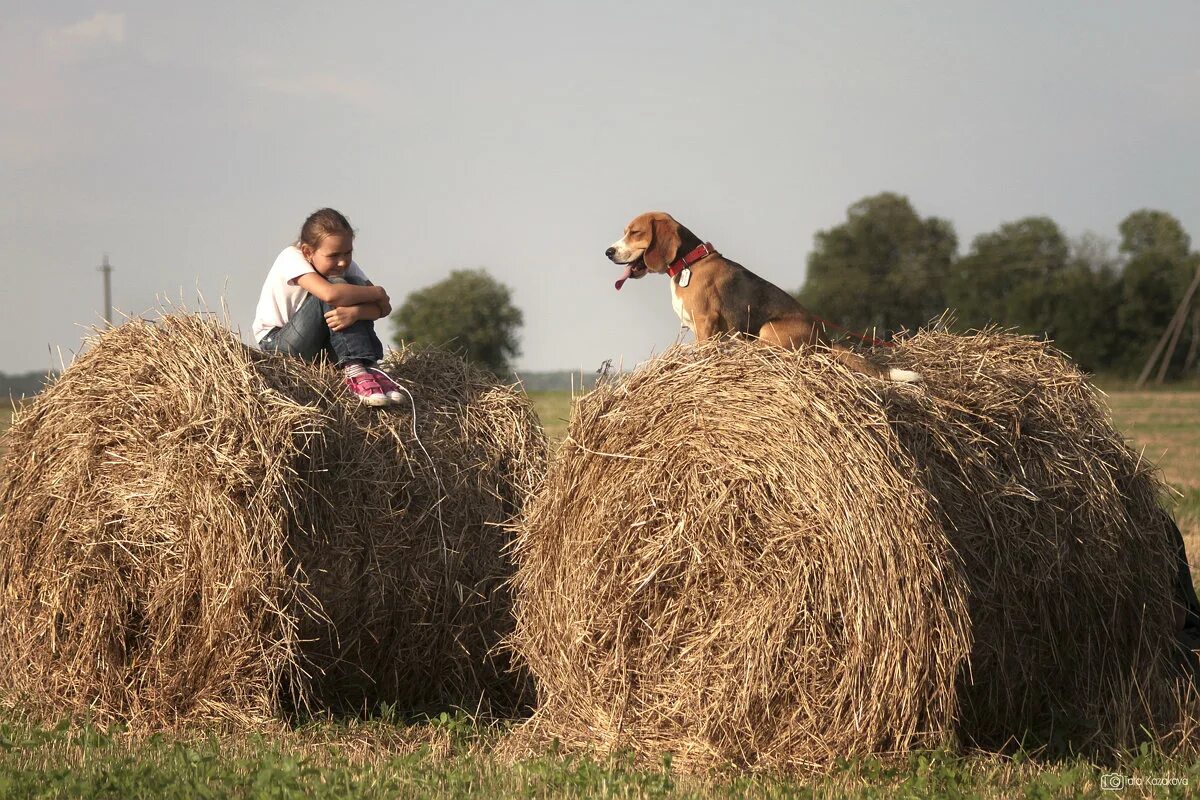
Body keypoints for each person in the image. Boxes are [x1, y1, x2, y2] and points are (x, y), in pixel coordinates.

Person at [252, 208, 403, 406]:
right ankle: (356, 370)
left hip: (318, 342)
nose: (342, 261)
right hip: (278, 344)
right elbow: (331, 295)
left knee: (350, 284)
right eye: (333, 255)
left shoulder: (345, 265)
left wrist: (355, 313)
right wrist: (378, 292)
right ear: (307, 251)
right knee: (338, 287)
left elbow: (383, 309)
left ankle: (369, 367)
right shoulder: (291, 257)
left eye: (348, 253)